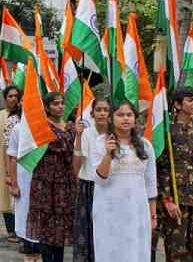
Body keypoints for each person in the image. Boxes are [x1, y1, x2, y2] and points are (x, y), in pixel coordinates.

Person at [91, 101, 158, 262]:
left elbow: (150, 182)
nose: (126, 118)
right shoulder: (101, 142)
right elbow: (100, 177)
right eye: (120, 115)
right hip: (109, 209)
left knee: (136, 250)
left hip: (137, 210)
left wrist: (153, 213)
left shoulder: (145, 145)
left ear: (135, 118)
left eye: (129, 115)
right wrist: (108, 153)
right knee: (110, 250)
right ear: (111, 119)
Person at [157, 87, 193, 262]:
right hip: (176, 200)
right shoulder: (167, 131)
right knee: (176, 249)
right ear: (177, 104)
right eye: (190, 100)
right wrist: (167, 200)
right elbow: (161, 168)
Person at [26, 92, 78, 262]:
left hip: (65, 181)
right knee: (46, 225)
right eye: (55, 104)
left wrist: (80, 134)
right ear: (47, 107)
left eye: (62, 103)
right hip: (45, 181)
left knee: (61, 226)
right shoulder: (41, 127)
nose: (60, 106)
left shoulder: (71, 127)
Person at [72, 98, 111, 262]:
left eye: (106, 110)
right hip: (89, 187)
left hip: (109, 188)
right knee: (87, 231)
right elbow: (76, 167)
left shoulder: (115, 134)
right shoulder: (86, 134)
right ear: (92, 113)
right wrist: (79, 137)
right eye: (99, 110)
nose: (102, 113)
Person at [7, 110, 40, 262]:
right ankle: (28, 252)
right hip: (23, 179)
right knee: (24, 215)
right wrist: (13, 183)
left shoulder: (45, 129)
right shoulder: (18, 129)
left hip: (42, 182)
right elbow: (12, 157)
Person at [0, 85, 21, 243]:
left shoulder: (23, 115)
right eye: (10, 96)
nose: (13, 99)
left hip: (19, 161)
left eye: (16, 96)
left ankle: (21, 229)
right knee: (4, 194)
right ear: (5, 98)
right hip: (2, 159)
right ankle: (11, 229)